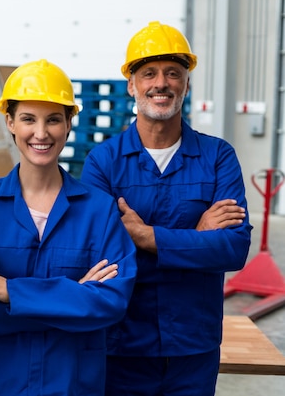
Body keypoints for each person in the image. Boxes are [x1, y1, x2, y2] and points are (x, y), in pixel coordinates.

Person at [80, 21, 253, 396]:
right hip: (122, 345)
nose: (161, 83)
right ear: (132, 85)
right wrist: (196, 238)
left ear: (186, 84)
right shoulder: (103, 162)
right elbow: (99, 255)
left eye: (173, 73)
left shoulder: (217, 156)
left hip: (193, 346)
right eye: (149, 74)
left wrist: (144, 236)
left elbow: (234, 249)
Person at [0, 59, 137, 396]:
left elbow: (110, 303)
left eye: (53, 119)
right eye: (28, 119)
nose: (41, 133)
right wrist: (74, 297)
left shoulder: (99, 210)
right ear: (10, 122)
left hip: (71, 384)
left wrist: (11, 291)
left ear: (69, 124)